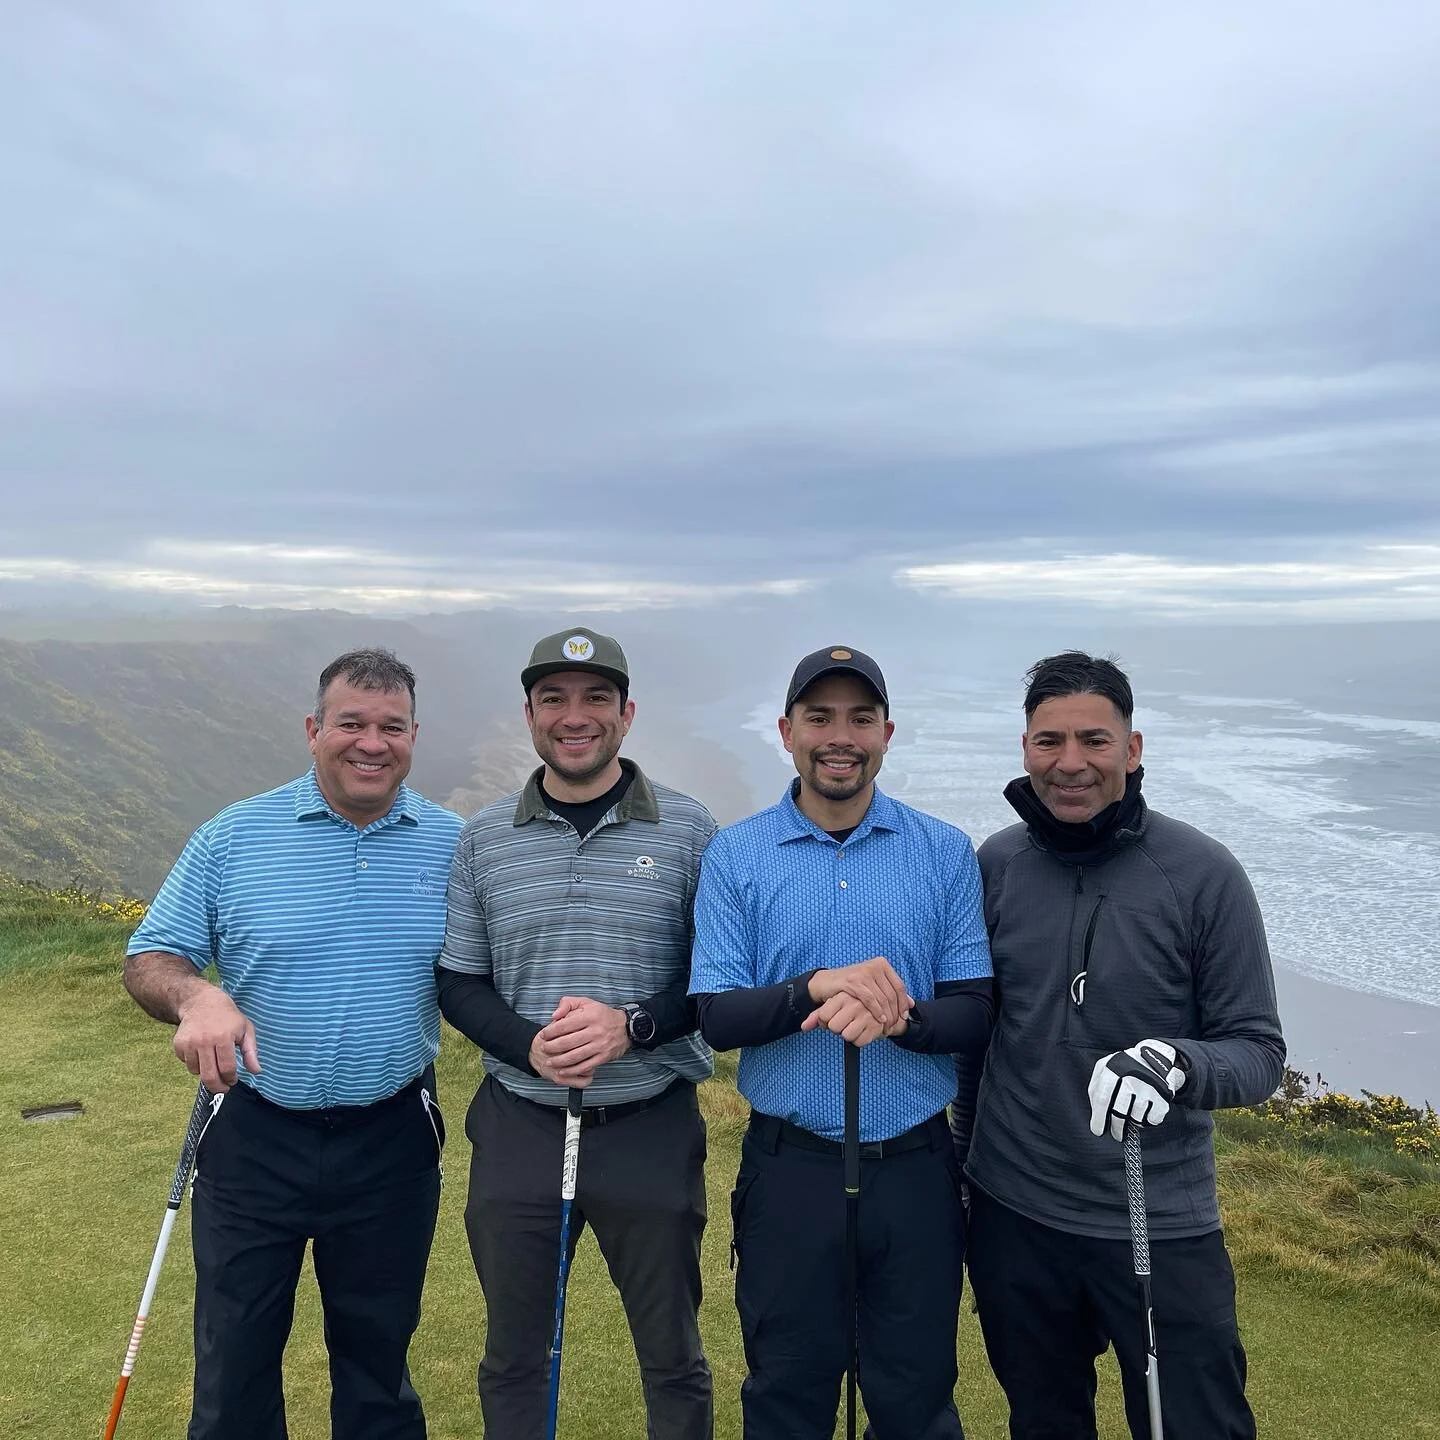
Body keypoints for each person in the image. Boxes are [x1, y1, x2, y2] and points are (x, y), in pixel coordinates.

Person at [122, 647, 464, 1440]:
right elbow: (149, 960)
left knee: (378, 1363)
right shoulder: (233, 836)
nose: (371, 743)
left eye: (391, 726)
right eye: (351, 723)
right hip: (253, 1129)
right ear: (315, 730)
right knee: (234, 1363)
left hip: (393, 1136)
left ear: (414, 736)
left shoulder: (455, 845)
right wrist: (196, 995)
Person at [961, 650, 1286, 1440]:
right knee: (1043, 1423)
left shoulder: (1204, 875)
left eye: (1095, 741)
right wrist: (962, 1165)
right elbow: (978, 1039)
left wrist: (1178, 1061)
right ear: (1025, 747)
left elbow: (1258, 1051)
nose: (1070, 763)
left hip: (1158, 1220)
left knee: (1192, 1425)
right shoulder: (995, 864)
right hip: (1014, 1215)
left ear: (1131, 750)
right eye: (1049, 741)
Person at [690, 645, 994, 1440]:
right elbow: (717, 1017)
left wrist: (905, 1020)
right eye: (820, 717)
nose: (840, 736)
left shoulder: (943, 851)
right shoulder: (737, 854)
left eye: (860, 718)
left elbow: (975, 1011)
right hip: (790, 1171)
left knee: (917, 1396)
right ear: (787, 730)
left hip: (917, 1172)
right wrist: (813, 989)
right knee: (787, 1393)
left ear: (887, 733)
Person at [435, 626, 716, 1440]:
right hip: (521, 1124)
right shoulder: (486, 836)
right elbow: (458, 979)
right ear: (529, 715)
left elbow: (715, 980)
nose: (575, 716)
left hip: (648, 1127)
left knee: (671, 1354)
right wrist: (529, 1044)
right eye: (553, 699)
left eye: (596, 698)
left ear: (627, 714)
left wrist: (633, 1027)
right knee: (516, 1356)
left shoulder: (691, 830)